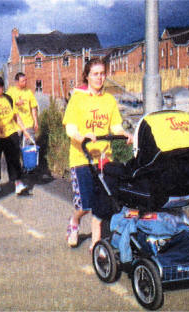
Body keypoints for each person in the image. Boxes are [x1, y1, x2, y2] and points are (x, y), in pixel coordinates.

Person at [62, 58, 133, 251]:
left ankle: (97, 243)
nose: (99, 77)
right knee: (85, 205)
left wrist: (124, 134)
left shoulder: (109, 100)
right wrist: (82, 136)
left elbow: (115, 126)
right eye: (95, 74)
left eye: (102, 73)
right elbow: (70, 128)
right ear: (87, 76)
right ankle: (74, 222)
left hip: (103, 158)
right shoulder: (78, 98)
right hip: (81, 158)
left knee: (102, 203)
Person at [0, 76, 30, 195]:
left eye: (0, 85)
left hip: (10, 132)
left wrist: (24, 130)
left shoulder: (8, 99)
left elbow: (16, 116)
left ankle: (18, 183)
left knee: (14, 158)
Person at [6, 72, 39, 148]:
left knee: (28, 147)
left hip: (28, 125)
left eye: (25, 80)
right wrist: (15, 103)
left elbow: (33, 107)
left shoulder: (29, 92)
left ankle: (27, 160)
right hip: (15, 126)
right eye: (23, 81)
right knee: (15, 149)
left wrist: (36, 121)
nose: (25, 82)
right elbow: (6, 105)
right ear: (17, 82)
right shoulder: (10, 92)